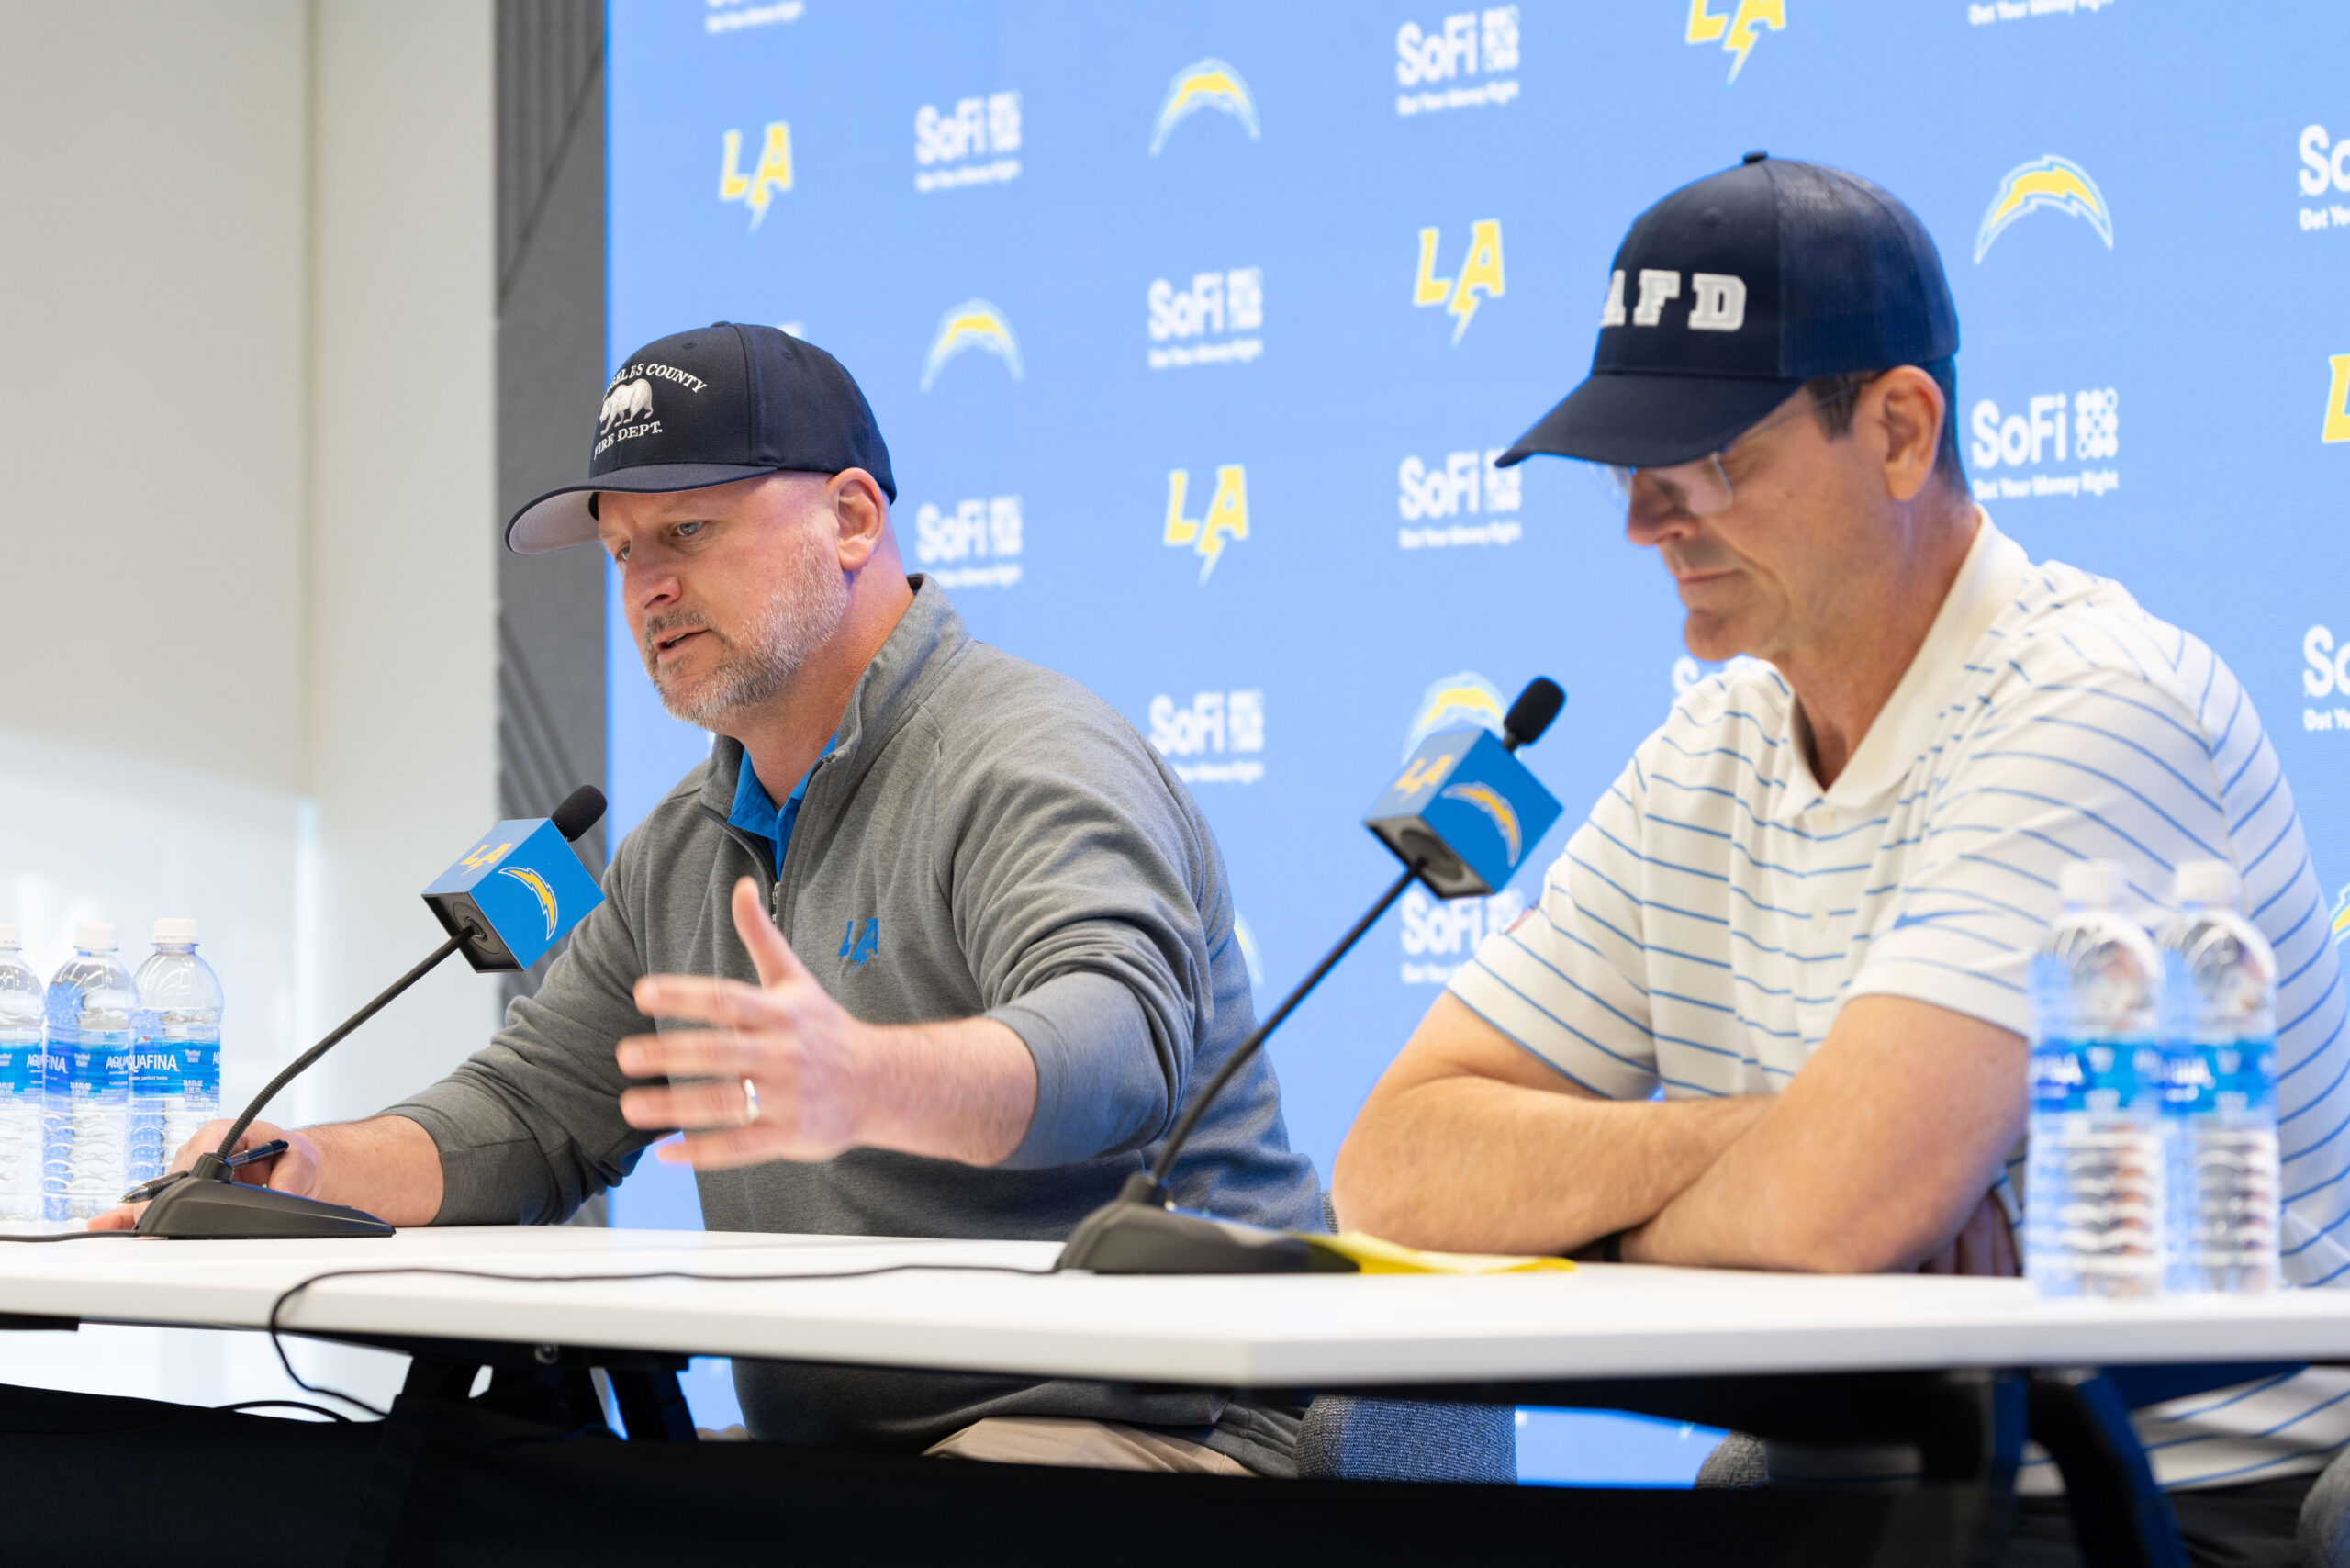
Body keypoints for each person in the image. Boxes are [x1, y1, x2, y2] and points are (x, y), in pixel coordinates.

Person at [1329, 155, 2350, 1562]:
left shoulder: (2099, 704)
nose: (1644, 521)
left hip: (2163, 1503)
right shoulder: (1713, 749)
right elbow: (1393, 1164)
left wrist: (1608, 1222)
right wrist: (1751, 1141)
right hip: (1863, 1486)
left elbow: (1832, 1218)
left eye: (1714, 464)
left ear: (1899, 432)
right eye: (1633, 469)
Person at [104, 322, 1321, 1476]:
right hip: (867, 1459)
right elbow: (534, 1114)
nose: (646, 589)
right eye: (624, 550)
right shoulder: (687, 843)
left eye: (687, 532)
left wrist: (874, 1078)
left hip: (1189, 1433)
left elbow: (1117, 1048)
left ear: (851, 520)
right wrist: (311, 1167)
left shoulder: (1028, 759)